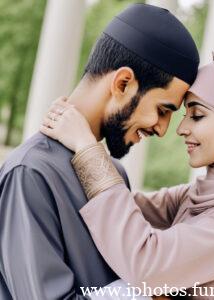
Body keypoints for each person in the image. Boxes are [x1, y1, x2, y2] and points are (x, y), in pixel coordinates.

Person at [41, 51, 214, 299]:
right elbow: (121, 211)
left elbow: (149, 265)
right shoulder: (206, 193)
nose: (181, 128)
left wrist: (87, 147)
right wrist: (57, 161)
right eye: (185, 114)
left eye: (197, 115)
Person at [0, 4, 199, 299]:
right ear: (123, 83)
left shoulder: (114, 176)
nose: (161, 129)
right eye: (162, 110)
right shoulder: (30, 173)